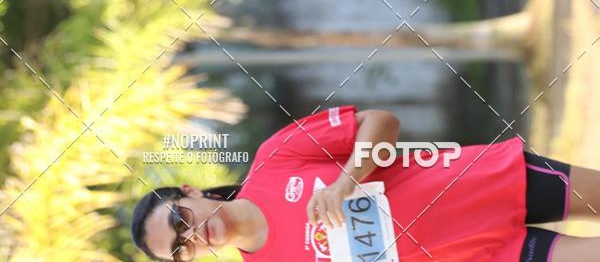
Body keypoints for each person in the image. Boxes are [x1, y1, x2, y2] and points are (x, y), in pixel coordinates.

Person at [130, 105, 600, 260]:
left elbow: (383, 122)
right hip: (479, 254)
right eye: (178, 249)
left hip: (482, 182)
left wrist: (344, 182)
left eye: (179, 219)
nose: (190, 235)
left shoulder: (274, 158)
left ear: (190, 193)